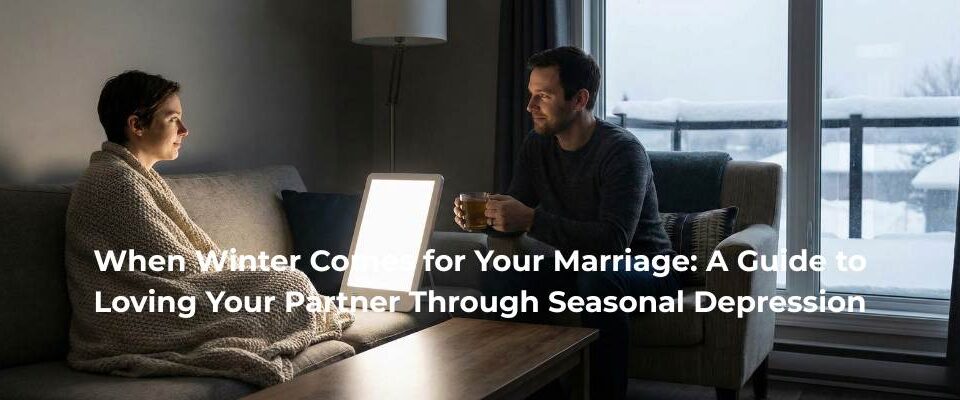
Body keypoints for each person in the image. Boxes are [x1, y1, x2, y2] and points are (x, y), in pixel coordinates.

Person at [65, 70, 352, 387]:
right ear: (136, 125)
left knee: (284, 281)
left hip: (169, 294)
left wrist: (236, 271)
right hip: (136, 316)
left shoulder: (132, 175)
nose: (184, 130)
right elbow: (173, 264)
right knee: (290, 283)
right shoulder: (114, 182)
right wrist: (234, 273)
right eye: (173, 119)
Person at [454, 47, 681, 400]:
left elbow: (613, 241)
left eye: (543, 96)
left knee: (599, 278)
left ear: (579, 99)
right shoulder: (537, 145)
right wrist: (488, 217)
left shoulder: (622, 151)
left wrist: (530, 218)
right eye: (531, 94)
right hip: (576, 262)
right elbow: (517, 209)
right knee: (501, 275)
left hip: (646, 264)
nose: (530, 106)